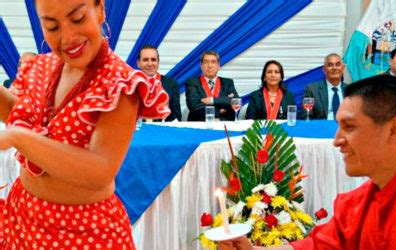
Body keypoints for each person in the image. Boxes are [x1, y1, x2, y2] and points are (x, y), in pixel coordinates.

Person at [0, 0, 169, 248]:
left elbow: (99, 170)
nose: (68, 36)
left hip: (83, 232)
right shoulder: (43, 66)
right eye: (52, 26)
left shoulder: (119, 84)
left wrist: (18, 138)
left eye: (78, 18)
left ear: (100, 10)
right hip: (24, 218)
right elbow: (22, 113)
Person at [219, 74, 396, 249]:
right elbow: (317, 246)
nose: (337, 140)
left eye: (349, 127)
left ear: (394, 129)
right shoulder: (358, 204)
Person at [185, 50, 239, 121]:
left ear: (218, 66)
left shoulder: (227, 82)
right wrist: (218, 110)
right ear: (201, 66)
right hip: (200, 123)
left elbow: (235, 101)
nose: (210, 65)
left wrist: (212, 100)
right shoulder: (192, 82)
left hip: (224, 122)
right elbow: (194, 105)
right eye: (206, 62)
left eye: (213, 62)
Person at [137, 45, 182, 121]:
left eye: (153, 60)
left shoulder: (171, 84)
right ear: (138, 63)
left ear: (158, 63)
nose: (150, 64)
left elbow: (176, 116)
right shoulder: (131, 84)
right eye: (145, 60)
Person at [302, 53, 348, 120]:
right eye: (330, 65)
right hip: (321, 128)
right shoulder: (312, 90)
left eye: (337, 64)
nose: (334, 68)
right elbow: (307, 117)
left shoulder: (352, 91)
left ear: (343, 68)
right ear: (324, 69)